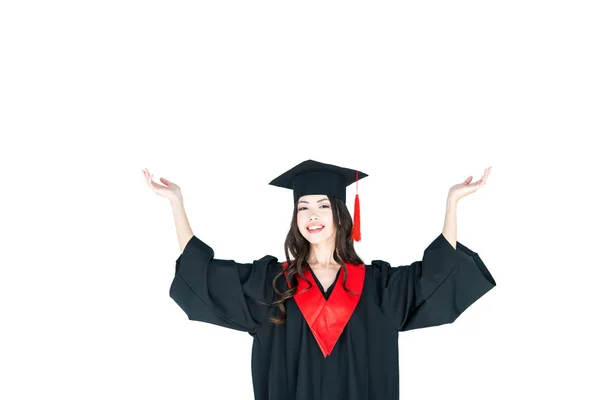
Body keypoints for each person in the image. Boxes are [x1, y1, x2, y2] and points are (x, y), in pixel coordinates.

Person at [142, 159, 496, 400]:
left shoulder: (377, 286)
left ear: (341, 215)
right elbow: (204, 276)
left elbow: (435, 277)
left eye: (323, 205)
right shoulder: (272, 283)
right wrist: (176, 204)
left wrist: (452, 204)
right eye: (303, 207)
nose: (312, 216)